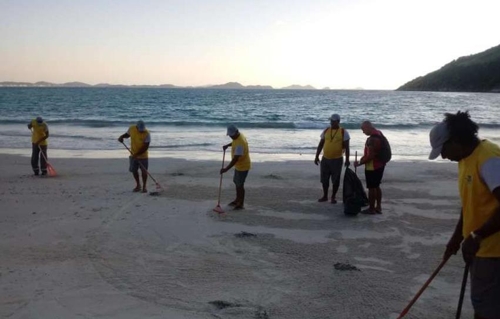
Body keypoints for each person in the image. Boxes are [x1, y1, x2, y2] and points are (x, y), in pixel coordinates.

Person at [429, 111, 500, 319]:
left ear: (457, 140)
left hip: (493, 252)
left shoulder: (489, 159)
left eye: (444, 149)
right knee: (483, 305)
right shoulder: (466, 158)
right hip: (480, 248)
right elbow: (471, 203)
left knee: (487, 311)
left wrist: (477, 236)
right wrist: (457, 236)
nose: (443, 156)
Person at [314, 114, 350, 203]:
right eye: (331, 121)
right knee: (324, 179)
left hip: (337, 159)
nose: (331, 122)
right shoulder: (326, 130)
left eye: (333, 121)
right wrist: (316, 156)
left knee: (336, 180)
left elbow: (347, 147)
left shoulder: (343, 132)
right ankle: (325, 196)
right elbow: (321, 144)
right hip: (325, 159)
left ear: (338, 121)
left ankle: (333, 197)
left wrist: (347, 160)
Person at [354, 121, 386, 214]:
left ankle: (371, 209)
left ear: (368, 127)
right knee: (377, 186)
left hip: (372, 166)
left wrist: (360, 163)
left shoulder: (371, 140)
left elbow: (370, 156)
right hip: (381, 164)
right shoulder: (379, 134)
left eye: (363, 129)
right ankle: (378, 207)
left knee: (371, 188)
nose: (363, 132)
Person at [220, 124, 251, 210]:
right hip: (239, 166)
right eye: (229, 135)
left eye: (231, 135)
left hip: (243, 166)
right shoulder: (238, 136)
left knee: (240, 185)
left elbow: (235, 159)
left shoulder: (240, 143)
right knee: (237, 183)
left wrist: (226, 169)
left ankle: (241, 204)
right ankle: (237, 200)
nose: (230, 137)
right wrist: (227, 145)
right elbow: (234, 142)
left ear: (236, 132)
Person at [118, 120, 151, 193]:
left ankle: (144, 187)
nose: (142, 131)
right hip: (133, 154)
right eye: (140, 130)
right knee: (134, 170)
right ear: (136, 127)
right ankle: (138, 185)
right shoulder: (132, 129)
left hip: (143, 156)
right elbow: (127, 135)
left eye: (143, 130)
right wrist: (121, 137)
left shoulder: (147, 134)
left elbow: (145, 147)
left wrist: (137, 154)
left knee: (144, 171)